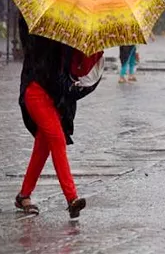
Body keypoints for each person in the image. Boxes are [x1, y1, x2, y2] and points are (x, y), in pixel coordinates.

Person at [15, 15, 104, 220]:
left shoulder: (72, 29)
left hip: (57, 99)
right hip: (35, 89)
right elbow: (34, 53)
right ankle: (72, 198)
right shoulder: (37, 25)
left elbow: (71, 76)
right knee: (56, 139)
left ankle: (23, 195)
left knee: (43, 147)